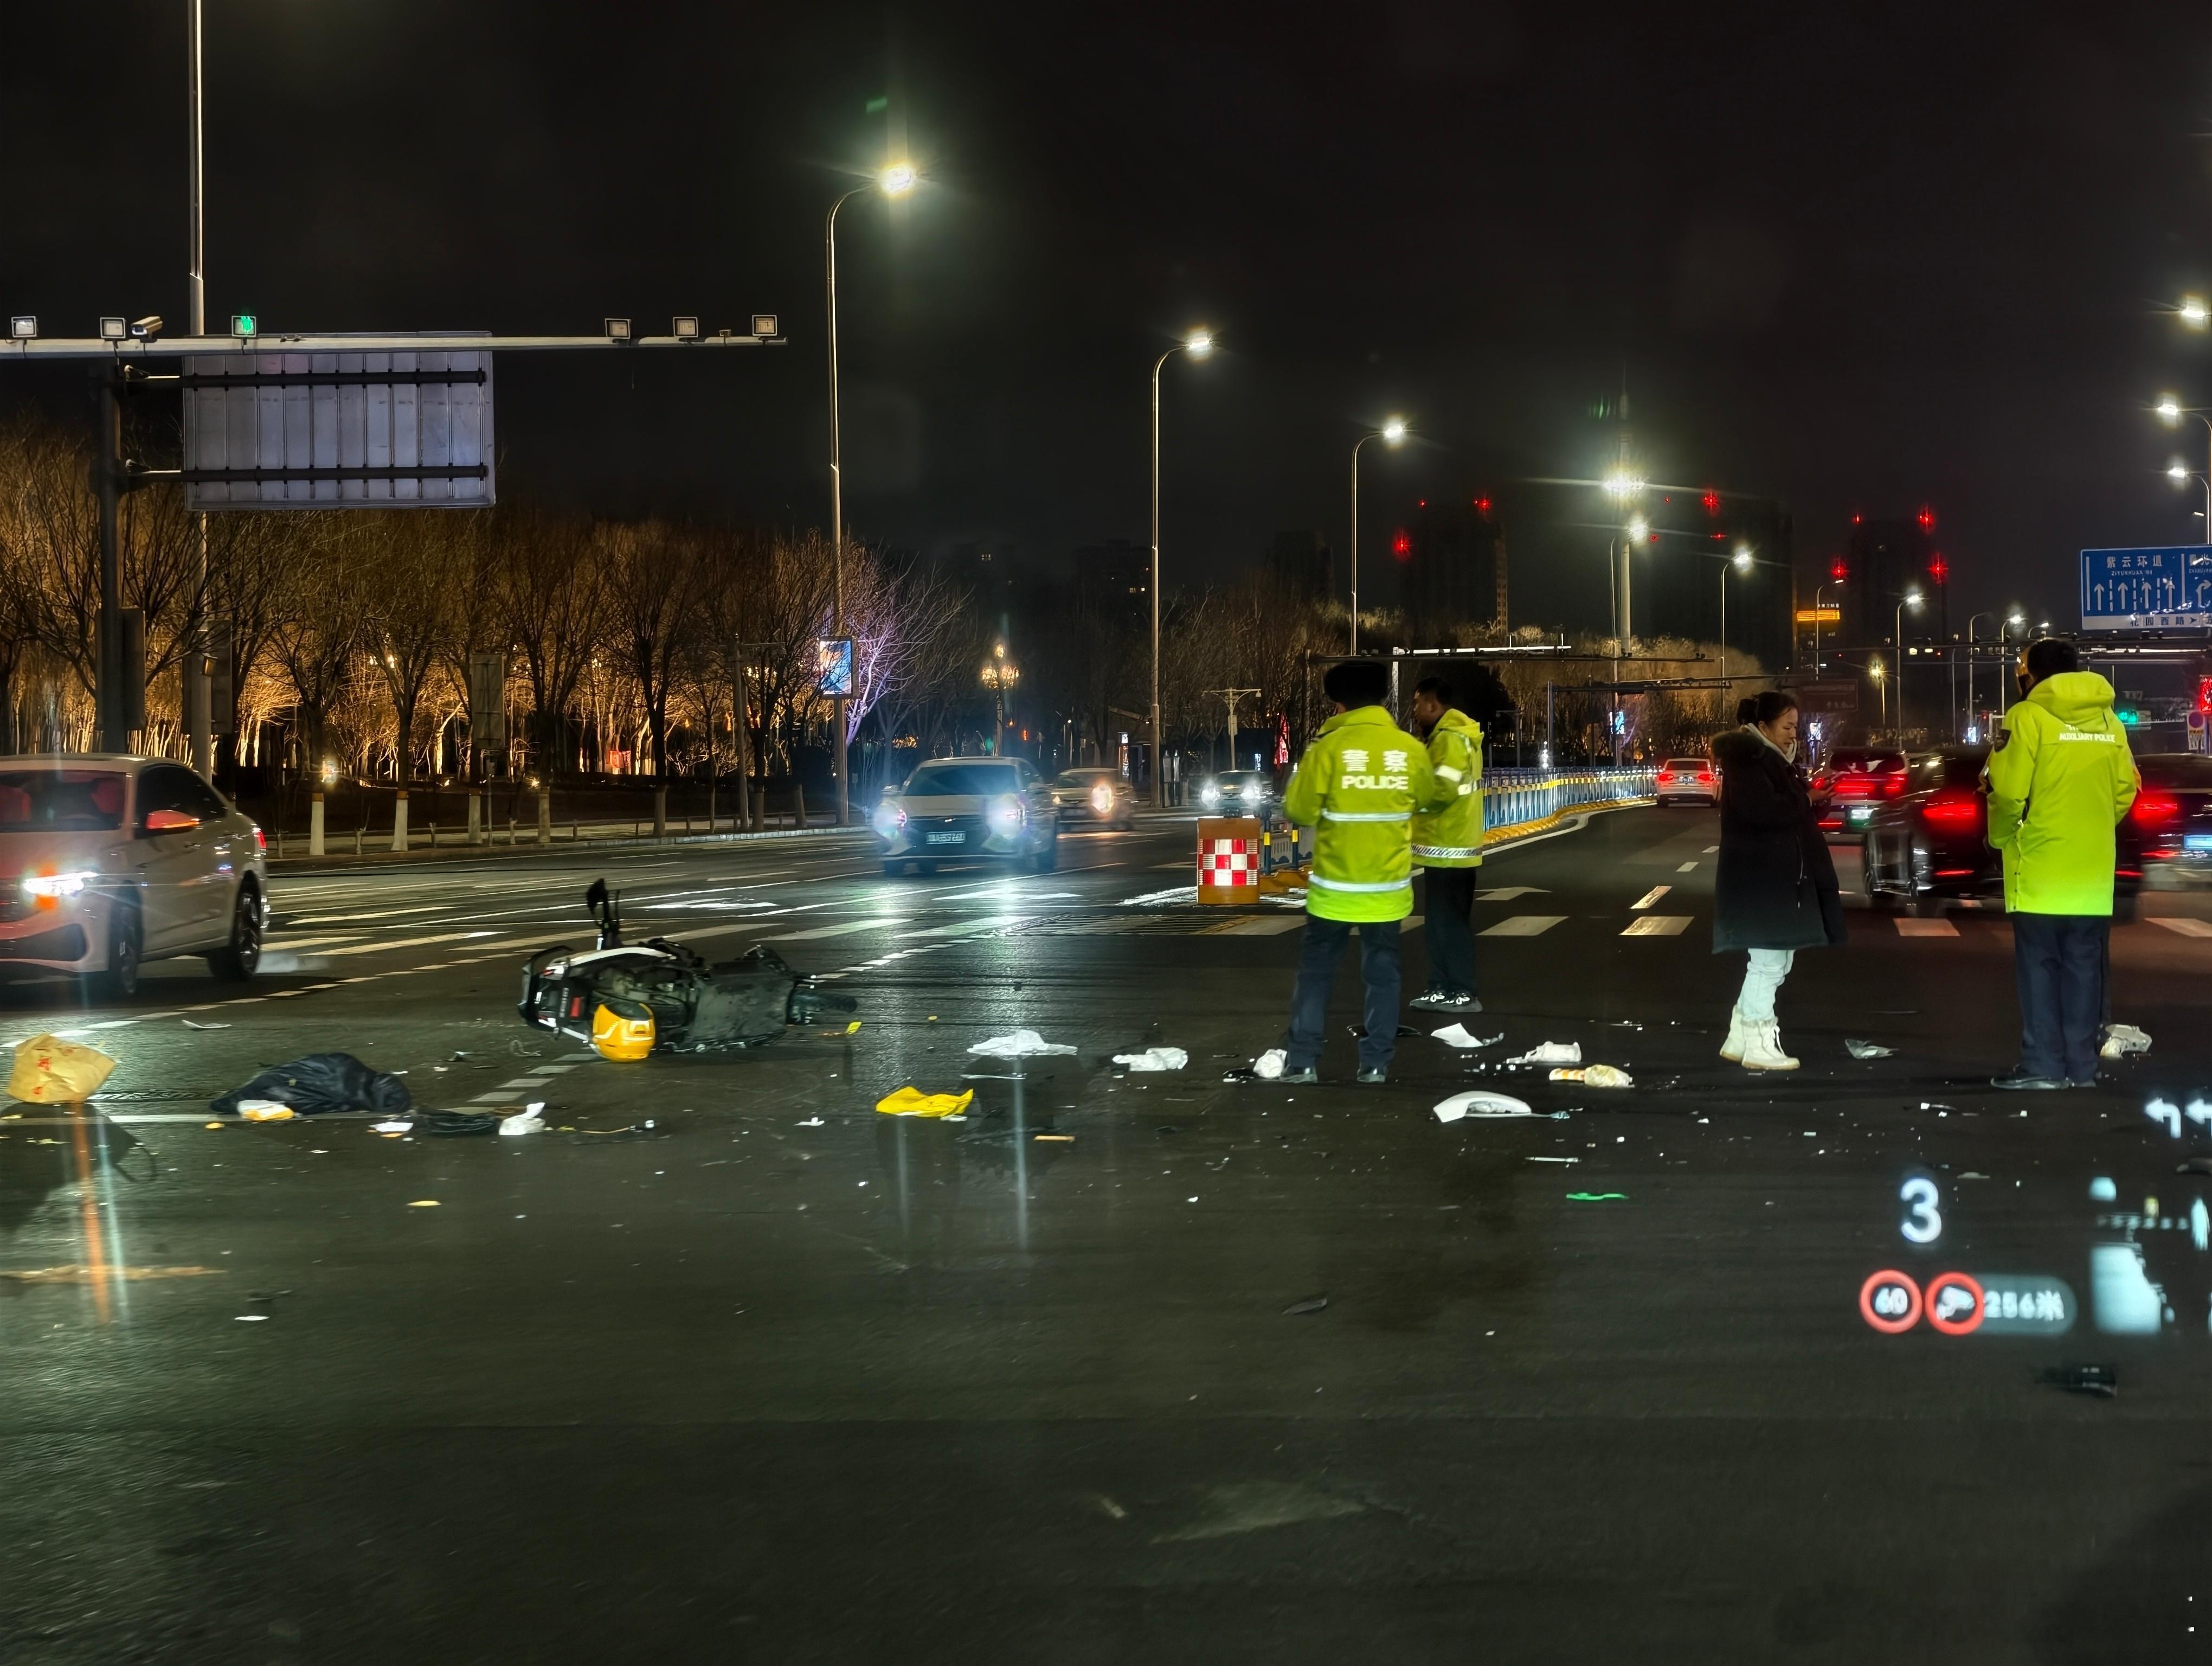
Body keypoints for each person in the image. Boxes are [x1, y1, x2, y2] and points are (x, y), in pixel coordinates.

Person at [1277, 658, 1443, 1083]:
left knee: (1316, 975)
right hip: (1386, 890)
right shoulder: (1408, 749)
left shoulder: (1328, 749)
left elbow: (1298, 809)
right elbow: (1427, 797)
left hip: (1333, 889)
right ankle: (1375, 1065)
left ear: (1339, 704)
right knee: (1383, 977)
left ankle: (1303, 1063)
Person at [1984, 638, 2137, 1089]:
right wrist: (2091, 828)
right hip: (2092, 872)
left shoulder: (2027, 716)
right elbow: (2126, 789)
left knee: (2039, 970)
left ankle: (2043, 1067)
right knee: (2085, 972)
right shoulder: (2111, 722)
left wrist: (2004, 835)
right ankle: (2082, 1069)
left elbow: (2008, 790)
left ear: (2030, 675)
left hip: (2040, 868)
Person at [1708, 689, 1844, 1070]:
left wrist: (1815, 797)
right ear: (1763, 726)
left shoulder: (1771, 760)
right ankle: (1759, 1043)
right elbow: (1765, 813)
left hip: (1773, 877)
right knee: (1769, 961)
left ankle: (1740, 1037)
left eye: (1795, 727)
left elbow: (1788, 813)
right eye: (1787, 727)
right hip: (1762, 879)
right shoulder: (1750, 761)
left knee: (1774, 961)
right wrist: (1809, 797)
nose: (1793, 735)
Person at [1407, 676, 1486, 1012]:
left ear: (1432, 704)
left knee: (1450, 926)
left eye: (1417, 703)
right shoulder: (1453, 737)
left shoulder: (1450, 741)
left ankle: (1461, 991)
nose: (1415, 711)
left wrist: (1408, 800)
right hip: (1449, 848)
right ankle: (1440, 988)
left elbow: (1441, 791)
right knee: (1441, 926)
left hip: (1449, 848)